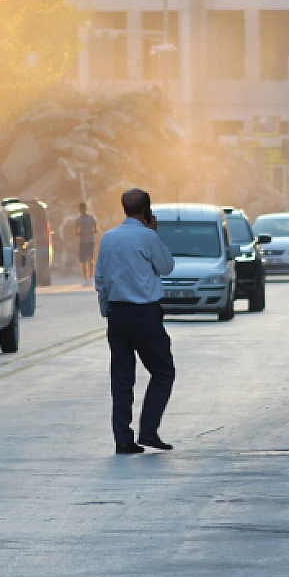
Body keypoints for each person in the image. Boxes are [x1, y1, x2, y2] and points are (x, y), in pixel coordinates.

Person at [94, 188, 175, 455]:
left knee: (121, 378)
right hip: (144, 314)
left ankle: (123, 439)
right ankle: (149, 430)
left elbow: (101, 280)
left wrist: (108, 311)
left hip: (118, 314)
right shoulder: (146, 237)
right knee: (163, 372)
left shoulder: (108, 237)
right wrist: (153, 232)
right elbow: (166, 267)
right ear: (147, 211)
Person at [73, 202, 99, 282]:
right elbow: (76, 231)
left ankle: (91, 276)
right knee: (83, 260)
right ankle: (85, 278)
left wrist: (89, 232)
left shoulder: (91, 218)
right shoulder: (78, 220)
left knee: (90, 259)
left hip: (90, 241)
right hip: (82, 242)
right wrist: (81, 233)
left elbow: (96, 230)